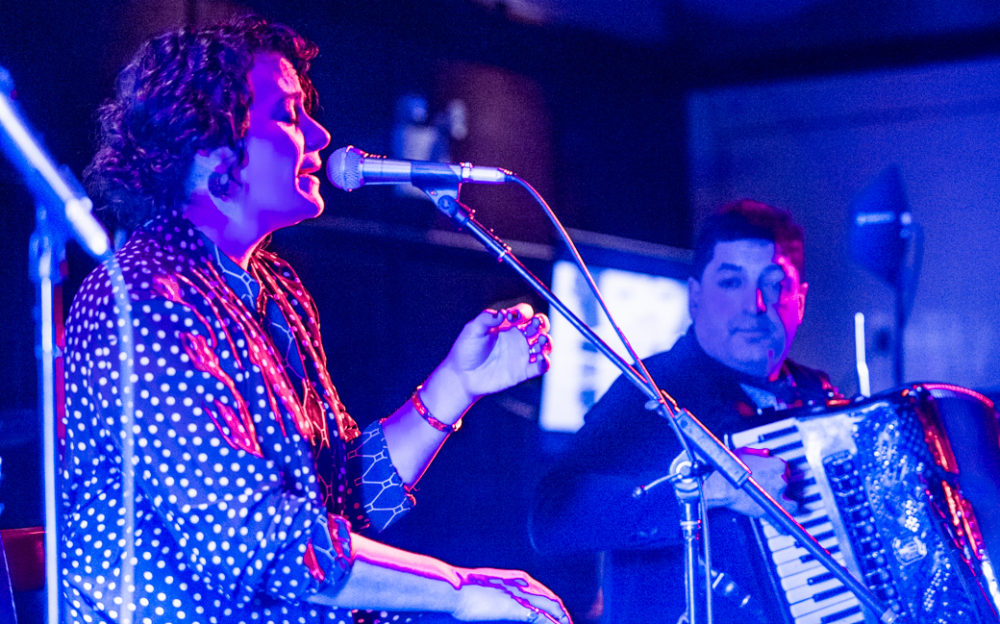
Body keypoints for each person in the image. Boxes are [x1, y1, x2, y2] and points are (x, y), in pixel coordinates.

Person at [60, 15, 571, 624]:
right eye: (288, 115)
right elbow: (259, 543)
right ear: (205, 144)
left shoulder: (275, 288)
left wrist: (456, 385)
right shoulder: (144, 298)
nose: (320, 134)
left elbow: (341, 502)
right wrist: (458, 590)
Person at [531, 200, 840, 623]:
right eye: (730, 282)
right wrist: (711, 489)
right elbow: (551, 516)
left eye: (774, 284)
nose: (754, 305)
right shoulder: (651, 390)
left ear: (799, 301)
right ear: (696, 298)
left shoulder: (818, 396)